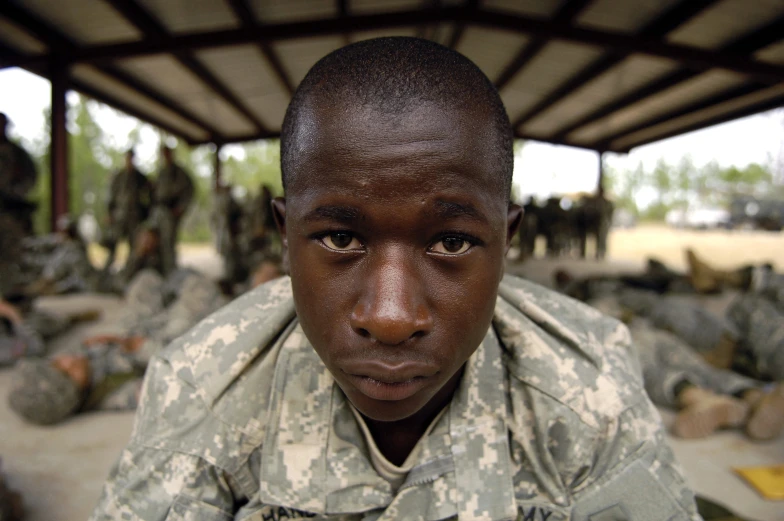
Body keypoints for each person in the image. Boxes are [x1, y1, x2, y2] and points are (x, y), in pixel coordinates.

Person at [91, 38, 699, 520]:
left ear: (507, 242)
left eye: (452, 242)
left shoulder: (587, 389)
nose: (389, 316)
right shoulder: (202, 392)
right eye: (340, 238)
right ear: (284, 233)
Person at [7, 268, 226, 425]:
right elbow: (184, 376)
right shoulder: (119, 394)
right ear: (73, 395)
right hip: (170, 342)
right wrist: (142, 347)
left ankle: (173, 293)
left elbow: (85, 349)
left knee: (145, 280)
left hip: (132, 331)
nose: (68, 361)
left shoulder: (80, 364)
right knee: (198, 290)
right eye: (67, 373)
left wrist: (104, 342)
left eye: (57, 363)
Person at [102, 149, 153, 273]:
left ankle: (131, 270)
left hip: (134, 217)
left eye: (131, 158)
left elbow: (150, 195)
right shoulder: (119, 177)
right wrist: (109, 213)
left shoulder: (140, 177)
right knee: (113, 242)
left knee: (134, 244)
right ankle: (107, 268)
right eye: (127, 158)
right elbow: (111, 196)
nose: (129, 161)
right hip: (119, 216)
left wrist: (145, 213)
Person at [147, 146, 194, 276]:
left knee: (168, 243)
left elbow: (189, 191)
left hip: (169, 211)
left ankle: (170, 272)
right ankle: (158, 270)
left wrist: (181, 208)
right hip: (158, 210)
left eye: (167, 153)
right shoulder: (161, 172)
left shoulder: (178, 173)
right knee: (154, 242)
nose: (165, 156)